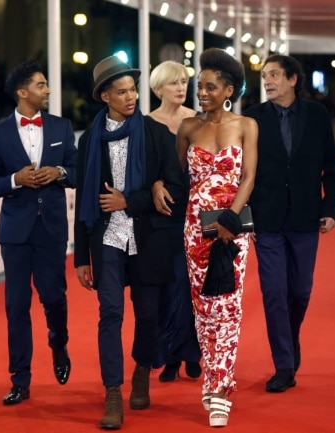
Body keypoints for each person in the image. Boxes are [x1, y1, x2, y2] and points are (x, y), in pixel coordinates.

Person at [74, 55, 184, 430]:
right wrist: (79, 257)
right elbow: (82, 202)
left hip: (147, 235)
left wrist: (132, 199)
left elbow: (176, 188)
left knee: (148, 314)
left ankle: (141, 370)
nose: (131, 97)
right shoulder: (89, 140)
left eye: (133, 90)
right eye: (121, 92)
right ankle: (112, 392)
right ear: (104, 95)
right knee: (110, 314)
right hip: (105, 237)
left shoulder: (156, 134)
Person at [244, 54, 335, 393]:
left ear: (292, 79)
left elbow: (331, 165)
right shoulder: (253, 117)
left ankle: (291, 336)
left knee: (299, 291)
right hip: (266, 220)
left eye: (274, 74)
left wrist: (330, 208)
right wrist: (245, 218)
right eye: (264, 76)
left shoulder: (316, 115)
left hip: (305, 217)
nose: (267, 81)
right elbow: (243, 173)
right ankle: (283, 365)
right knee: (273, 292)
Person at [0, 60, 77, 405]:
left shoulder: (62, 126)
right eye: (41, 85)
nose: (48, 90)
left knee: (54, 297)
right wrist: (14, 180)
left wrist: (59, 171)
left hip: (51, 229)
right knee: (16, 306)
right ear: (23, 92)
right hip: (15, 233)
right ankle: (20, 379)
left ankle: (59, 342)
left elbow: (78, 172)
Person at [176, 48, 258, 427]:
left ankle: (221, 388)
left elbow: (248, 179)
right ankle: (211, 378)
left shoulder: (246, 125)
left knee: (228, 307)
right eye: (199, 86)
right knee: (203, 310)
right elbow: (185, 180)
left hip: (233, 229)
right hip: (196, 230)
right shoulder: (188, 128)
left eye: (210, 87)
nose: (202, 92)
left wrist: (230, 218)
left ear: (228, 89)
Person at [148, 60, 201, 382]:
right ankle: (169, 356)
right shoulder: (146, 124)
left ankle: (191, 353)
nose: (182, 87)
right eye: (174, 83)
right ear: (158, 89)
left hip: (194, 211)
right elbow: (142, 170)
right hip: (161, 214)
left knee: (191, 286)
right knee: (167, 288)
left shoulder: (197, 121)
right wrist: (155, 185)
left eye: (184, 81)